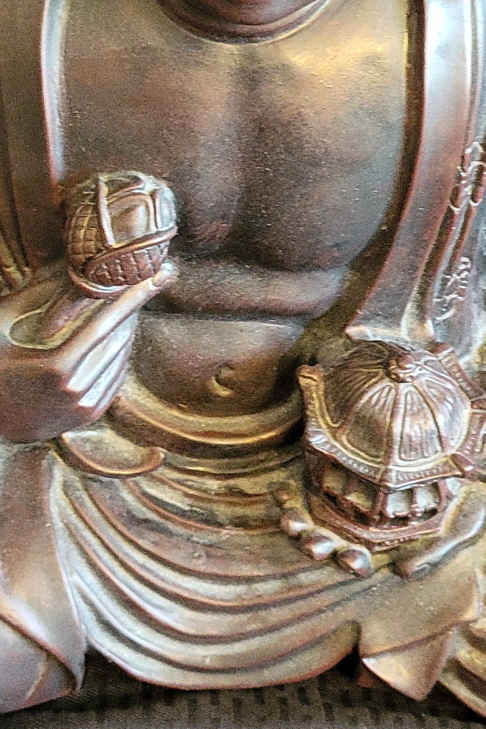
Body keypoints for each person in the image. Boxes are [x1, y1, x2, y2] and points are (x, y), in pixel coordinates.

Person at [0, 0, 485, 716]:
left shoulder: (458, 31)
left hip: (370, 487)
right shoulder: (26, 26)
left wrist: (431, 426)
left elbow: (465, 301)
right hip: (65, 469)